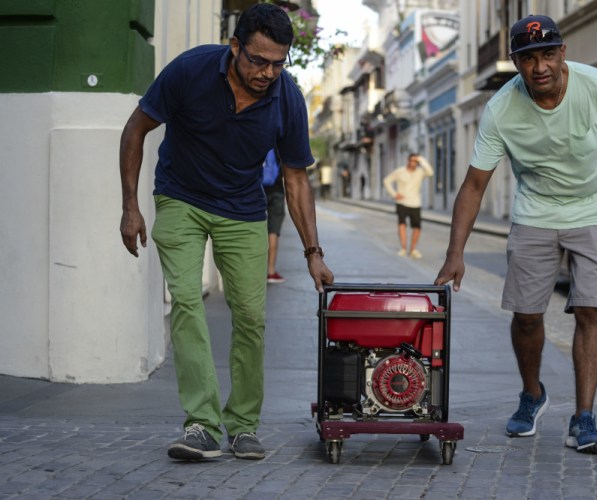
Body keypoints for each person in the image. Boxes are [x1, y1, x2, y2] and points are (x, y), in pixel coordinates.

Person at [119, 3, 334, 461]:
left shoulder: (287, 98)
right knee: (187, 301)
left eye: (278, 63)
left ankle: (243, 425)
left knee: (251, 317)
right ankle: (200, 423)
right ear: (234, 47)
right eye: (258, 60)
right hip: (180, 197)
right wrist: (130, 207)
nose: (267, 73)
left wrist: (313, 251)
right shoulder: (191, 71)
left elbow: (296, 179)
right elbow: (135, 129)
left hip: (242, 209)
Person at [434, 14, 597, 454]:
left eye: (548, 54)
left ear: (562, 53)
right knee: (527, 315)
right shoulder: (501, 108)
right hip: (535, 213)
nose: (540, 67)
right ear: (515, 62)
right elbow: (475, 184)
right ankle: (532, 394)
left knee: (589, 310)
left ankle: (584, 417)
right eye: (528, 58)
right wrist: (454, 253)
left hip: (594, 211)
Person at [383, 153, 434, 258]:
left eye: (415, 161)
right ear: (408, 161)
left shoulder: (420, 172)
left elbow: (430, 172)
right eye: (411, 160)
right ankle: (403, 248)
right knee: (402, 224)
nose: (413, 163)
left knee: (417, 226)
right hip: (402, 202)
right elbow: (386, 181)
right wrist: (394, 194)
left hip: (415, 203)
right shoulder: (400, 171)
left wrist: (422, 160)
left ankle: (413, 249)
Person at [263, 149, 286, 284]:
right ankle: (271, 271)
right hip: (277, 190)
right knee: (273, 231)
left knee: (253, 226)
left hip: (255, 188)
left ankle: (253, 271)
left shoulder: (256, 132)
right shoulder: (278, 140)